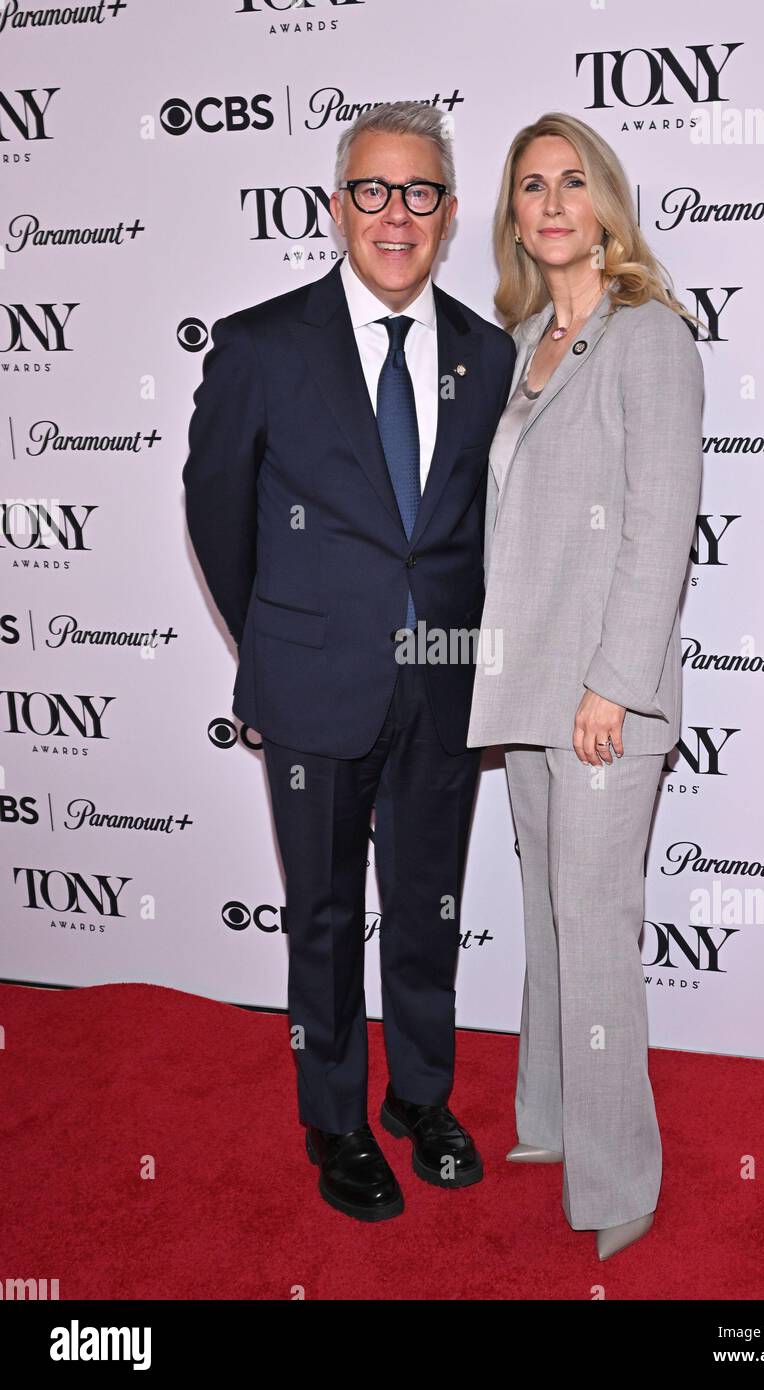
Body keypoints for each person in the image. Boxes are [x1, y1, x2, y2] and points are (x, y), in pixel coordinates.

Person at [183, 101, 516, 1222]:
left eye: (419, 192)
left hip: (442, 679)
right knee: (322, 914)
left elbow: (474, 532)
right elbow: (217, 511)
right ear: (337, 208)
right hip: (314, 684)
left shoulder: (487, 349)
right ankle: (332, 1118)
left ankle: (420, 1096)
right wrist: (274, 638)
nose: (395, 214)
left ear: (449, 212)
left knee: (426, 905)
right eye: (371, 191)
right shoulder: (261, 344)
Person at [466, 112, 704, 1260]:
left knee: (597, 928)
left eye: (571, 181)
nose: (551, 202)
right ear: (514, 217)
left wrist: (612, 683)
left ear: (604, 203)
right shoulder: (527, 346)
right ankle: (551, 1119)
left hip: (602, 696)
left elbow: (659, 529)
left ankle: (620, 1182)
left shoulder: (647, 335)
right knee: (551, 917)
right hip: (525, 686)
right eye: (529, 187)